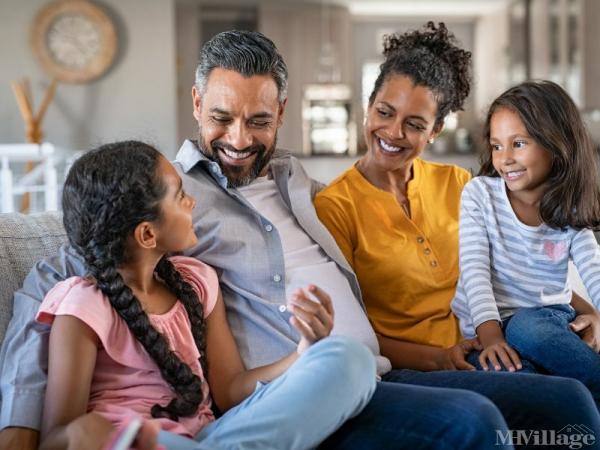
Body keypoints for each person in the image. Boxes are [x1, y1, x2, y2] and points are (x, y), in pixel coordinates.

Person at [0, 29, 597, 450]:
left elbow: (494, 245)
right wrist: (21, 435)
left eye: (259, 120)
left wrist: (561, 299)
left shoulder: (296, 180)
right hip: (292, 389)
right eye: (221, 117)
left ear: (281, 112)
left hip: (374, 368)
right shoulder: (162, 198)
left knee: (565, 406)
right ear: (196, 102)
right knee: (474, 422)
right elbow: (58, 278)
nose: (238, 139)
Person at [314, 18, 600, 431]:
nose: (393, 132)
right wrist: (438, 357)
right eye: (384, 112)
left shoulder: (460, 184)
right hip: (415, 367)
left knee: (567, 379)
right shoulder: (335, 206)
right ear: (368, 104)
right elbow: (351, 334)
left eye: (415, 123)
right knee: (565, 399)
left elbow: (516, 261)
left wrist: (586, 309)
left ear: (436, 130)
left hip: (491, 339)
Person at [36, 140, 375, 449]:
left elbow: (230, 392)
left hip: (210, 439)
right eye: (180, 196)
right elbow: (55, 436)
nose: (192, 202)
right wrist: (81, 433)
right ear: (147, 234)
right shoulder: (83, 305)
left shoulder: (197, 282)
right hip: (134, 443)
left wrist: (303, 353)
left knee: (349, 358)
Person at [450, 80, 600, 405]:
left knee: (527, 326)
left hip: (544, 321)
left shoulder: (569, 210)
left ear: (556, 145)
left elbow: (594, 272)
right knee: (533, 392)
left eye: (518, 143)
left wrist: (597, 317)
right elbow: (474, 271)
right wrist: (490, 338)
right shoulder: (480, 195)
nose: (504, 159)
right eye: (496, 146)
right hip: (486, 330)